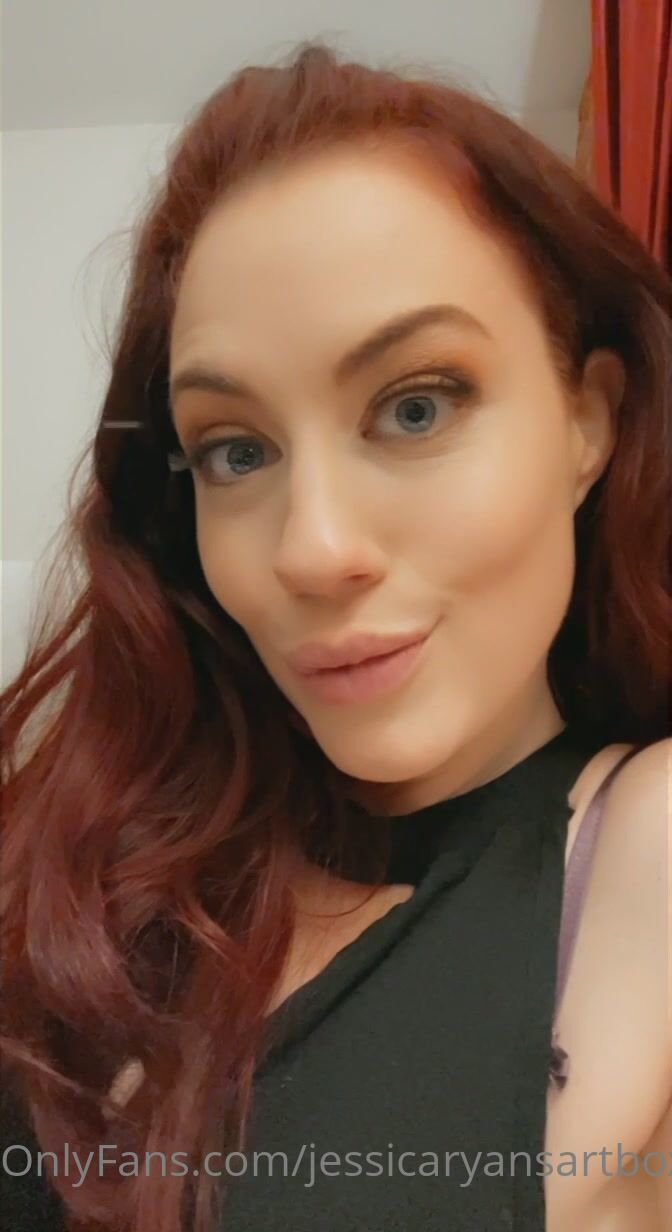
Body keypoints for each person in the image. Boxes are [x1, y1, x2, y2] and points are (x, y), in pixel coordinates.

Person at [1, 39, 670, 1232]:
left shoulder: (645, 850)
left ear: (589, 417)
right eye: (237, 450)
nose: (310, 549)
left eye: (414, 406)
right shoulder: (111, 854)